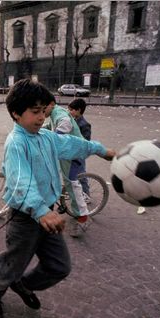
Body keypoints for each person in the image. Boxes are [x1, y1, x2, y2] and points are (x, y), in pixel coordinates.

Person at [0, 79, 115, 318]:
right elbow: (20, 182)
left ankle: (23, 285)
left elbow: (72, 144)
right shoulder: (16, 143)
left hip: (49, 216)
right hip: (26, 218)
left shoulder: (46, 137)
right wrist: (40, 211)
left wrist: (101, 150)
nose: (41, 118)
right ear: (16, 113)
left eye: (43, 112)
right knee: (13, 264)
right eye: (34, 112)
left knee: (60, 266)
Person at [46, 96, 92, 238]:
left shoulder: (58, 113)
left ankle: (83, 217)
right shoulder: (53, 113)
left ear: (51, 104)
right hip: (66, 153)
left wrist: (53, 138)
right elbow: (50, 126)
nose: (40, 112)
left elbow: (65, 124)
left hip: (74, 154)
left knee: (72, 184)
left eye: (42, 108)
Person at [68, 98, 92, 198]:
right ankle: (75, 192)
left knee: (81, 175)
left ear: (78, 110)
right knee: (71, 174)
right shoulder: (72, 120)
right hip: (71, 152)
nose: (69, 112)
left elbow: (86, 141)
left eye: (71, 110)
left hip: (79, 154)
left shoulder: (84, 124)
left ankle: (86, 195)